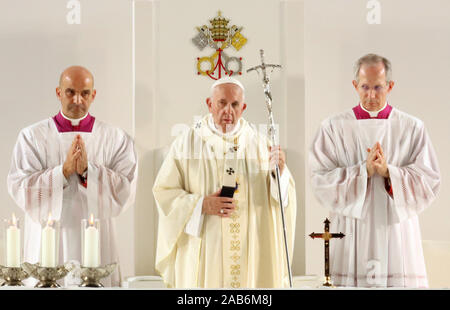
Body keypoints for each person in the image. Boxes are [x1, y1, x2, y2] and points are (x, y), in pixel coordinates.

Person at [309, 54, 441, 287]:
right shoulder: (333, 127)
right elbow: (319, 179)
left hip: (395, 230)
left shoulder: (411, 127)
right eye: (365, 87)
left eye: (378, 87)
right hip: (351, 229)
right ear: (354, 85)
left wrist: (390, 172)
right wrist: (364, 172)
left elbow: (429, 179)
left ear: (390, 86)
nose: (371, 95)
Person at [153, 77, 296, 288]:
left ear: (243, 107)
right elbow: (164, 192)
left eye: (235, 104)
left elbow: (283, 199)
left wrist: (280, 172)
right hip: (205, 246)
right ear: (209, 104)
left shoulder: (259, 144)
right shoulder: (187, 142)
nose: (228, 110)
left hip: (250, 249)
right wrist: (201, 204)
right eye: (222, 102)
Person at [7, 66, 137, 286]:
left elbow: (126, 190)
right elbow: (19, 187)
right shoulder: (32, 136)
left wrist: (88, 171)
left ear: (93, 95)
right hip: (47, 238)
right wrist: (63, 172)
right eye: (70, 92)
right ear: (58, 92)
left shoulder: (116, 138)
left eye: (85, 93)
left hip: (96, 239)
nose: (77, 99)